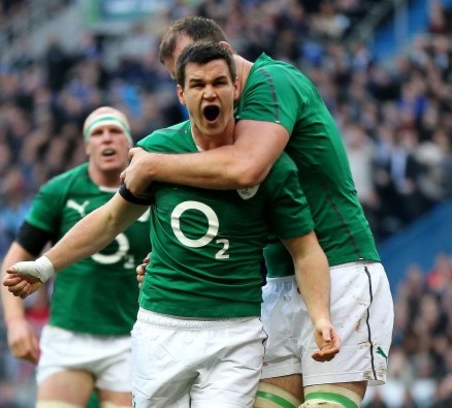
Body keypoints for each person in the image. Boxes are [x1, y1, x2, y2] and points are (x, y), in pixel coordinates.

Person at [4, 41, 339, 407]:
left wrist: (320, 316)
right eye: (197, 85)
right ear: (182, 93)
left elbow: (305, 249)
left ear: (236, 88)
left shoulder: (271, 167)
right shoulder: (156, 149)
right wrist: (46, 265)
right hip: (161, 328)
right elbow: (111, 218)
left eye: (218, 82)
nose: (209, 92)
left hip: (235, 333)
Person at [122, 16, 394, 408]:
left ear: (227, 55)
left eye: (205, 71)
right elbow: (239, 206)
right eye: (183, 78)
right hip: (279, 281)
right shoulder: (230, 122)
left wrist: (151, 165)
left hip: (339, 266)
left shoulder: (272, 81)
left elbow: (247, 169)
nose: (197, 87)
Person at [0, 106, 151, 408]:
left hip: (131, 336)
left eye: (115, 131)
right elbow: (13, 261)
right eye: (97, 133)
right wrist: (15, 322)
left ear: (128, 141)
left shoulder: (152, 189)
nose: (107, 138)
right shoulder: (60, 191)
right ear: (86, 146)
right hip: (68, 334)